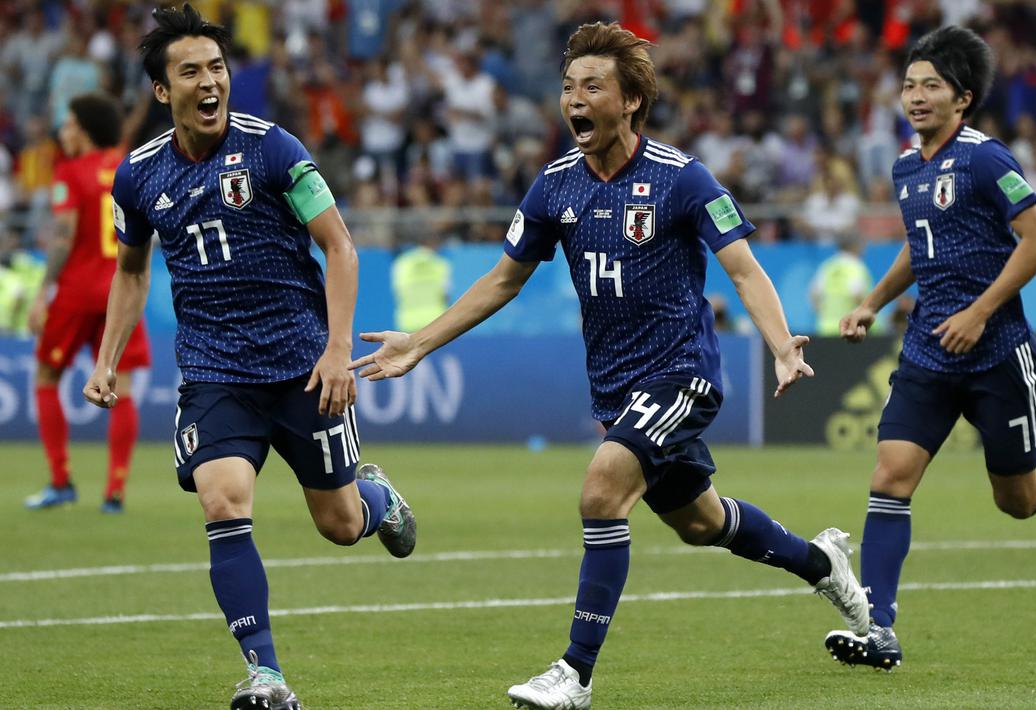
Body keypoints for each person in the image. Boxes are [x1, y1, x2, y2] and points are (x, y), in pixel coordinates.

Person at [351, 22, 869, 710]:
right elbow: (503, 280)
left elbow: (741, 269)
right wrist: (420, 341)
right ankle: (821, 563)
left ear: (628, 100)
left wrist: (779, 342)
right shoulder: (554, 186)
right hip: (618, 391)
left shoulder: (681, 178)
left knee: (601, 491)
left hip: (681, 374)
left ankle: (574, 673)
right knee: (701, 523)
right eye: (568, 87)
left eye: (591, 86)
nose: (574, 99)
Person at [81, 6, 416, 709]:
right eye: (190, 72)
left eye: (216, 68)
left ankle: (375, 498)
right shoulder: (138, 176)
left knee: (340, 524)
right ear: (162, 92)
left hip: (300, 366)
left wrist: (333, 351)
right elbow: (133, 272)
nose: (210, 82)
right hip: (214, 371)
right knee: (223, 500)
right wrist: (106, 358)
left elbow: (341, 247)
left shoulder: (275, 150)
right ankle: (266, 676)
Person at [827, 26, 1036, 671]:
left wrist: (980, 310)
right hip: (928, 352)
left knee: (1017, 501)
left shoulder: (987, 159)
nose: (914, 96)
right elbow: (920, 243)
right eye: (908, 85)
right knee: (890, 478)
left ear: (962, 99)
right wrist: (871, 303)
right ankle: (879, 627)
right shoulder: (907, 166)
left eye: (930, 86)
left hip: (997, 354)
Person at [23, 92, 151, 513]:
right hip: (122, 289)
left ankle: (61, 482)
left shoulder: (71, 171)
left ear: (85, 128)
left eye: (69, 124)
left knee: (46, 377)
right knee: (125, 386)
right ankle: (114, 492)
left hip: (78, 290)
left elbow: (63, 234)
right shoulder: (130, 166)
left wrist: (44, 291)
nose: (64, 132)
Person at [809, 233, 873, 335]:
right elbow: (858, 294)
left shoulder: (827, 266)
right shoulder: (856, 267)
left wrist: (823, 314)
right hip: (849, 328)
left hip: (825, 328)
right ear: (855, 246)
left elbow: (814, 294)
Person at [391, 234, 451, 332]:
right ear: (434, 244)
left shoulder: (402, 263)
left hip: (408, 322)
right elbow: (446, 295)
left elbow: (398, 290)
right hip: (435, 321)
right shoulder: (440, 264)